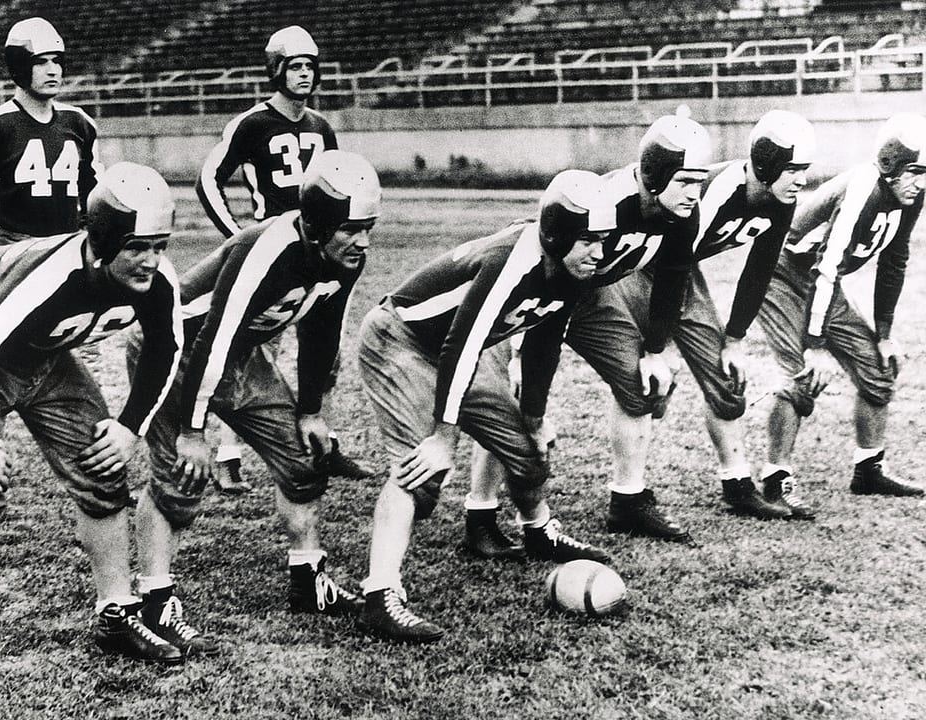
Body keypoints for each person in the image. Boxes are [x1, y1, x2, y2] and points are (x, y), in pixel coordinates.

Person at [0, 163, 194, 683]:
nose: (150, 260)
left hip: (48, 356)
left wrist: (129, 426)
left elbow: (167, 347)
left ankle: (115, 613)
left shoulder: (156, 279)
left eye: (158, 245)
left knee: (103, 467)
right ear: (100, 243)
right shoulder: (48, 277)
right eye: (136, 246)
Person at [355, 171, 614, 642]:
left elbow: (544, 341)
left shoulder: (575, 269)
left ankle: (536, 529)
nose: (600, 252)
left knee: (527, 453)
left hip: (460, 351)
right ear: (556, 235)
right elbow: (461, 342)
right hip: (402, 339)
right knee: (419, 471)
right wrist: (443, 435)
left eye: (605, 240)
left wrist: (532, 416)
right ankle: (380, 592)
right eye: (590, 240)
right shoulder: (512, 257)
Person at [131, 149, 376, 634]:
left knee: (303, 460)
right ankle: (154, 598)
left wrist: (310, 410)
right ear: (317, 223)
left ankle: (309, 581)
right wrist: (193, 429)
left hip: (238, 355)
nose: (362, 240)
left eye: (368, 226)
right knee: (179, 479)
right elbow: (210, 339)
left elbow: (321, 335)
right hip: (175, 348)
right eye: (350, 228)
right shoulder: (267, 249)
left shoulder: (345, 258)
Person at [498, 114, 709, 547]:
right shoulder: (608, 203)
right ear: (654, 175)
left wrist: (655, 349)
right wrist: (524, 362)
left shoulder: (683, 211)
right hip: (539, 283)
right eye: (686, 180)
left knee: (640, 385)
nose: (694, 192)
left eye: (699, 181)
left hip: (592, 292)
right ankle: (480, 509)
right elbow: (552, 295)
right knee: (515, 400)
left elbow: (672, 277)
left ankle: (627, 500)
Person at [607, 110, 816, 521]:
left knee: (724, 377)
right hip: (644, 265)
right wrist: (657, 345)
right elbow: (669, 262)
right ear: (766, 165)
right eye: (792, 169)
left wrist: (734, 339)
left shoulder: (781, 200)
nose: (802, 179)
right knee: (640, 380)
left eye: (804, 169)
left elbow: (759, 270)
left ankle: (737, 484)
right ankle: (627, 494)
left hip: (681, 272)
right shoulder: (717, 191)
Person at [195, 25, 369, 493]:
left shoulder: (320, 127)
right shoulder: (252, 124)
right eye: (295, 67)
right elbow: (209, 179)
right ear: (275, 71)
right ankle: (230, 456)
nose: (304, 75)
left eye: (310, 67)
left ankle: (324, 443)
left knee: (324, 351)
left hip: (320, 259)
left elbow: (340, 183)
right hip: (273, 258)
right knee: (249, 352)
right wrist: (239, 239)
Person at [757, 113, 926, 502]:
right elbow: (826, 267)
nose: (920, 181)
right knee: (801, 376)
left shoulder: (909, 197)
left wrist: (884, 334)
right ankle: (774, 479)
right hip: (781, 275)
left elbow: (894, 261)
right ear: (891, 165)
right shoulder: (863, 189)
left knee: (876, 368)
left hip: (820, 283)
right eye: (915, 171)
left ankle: (869, 469)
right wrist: (814, 345)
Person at [0, 16, 101, 258]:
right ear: (20, 66)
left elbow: (94, 193)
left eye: (57, 61)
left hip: (70, 250)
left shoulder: (79, 122)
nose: (53, 70)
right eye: (41, 62)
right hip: (16, 253)